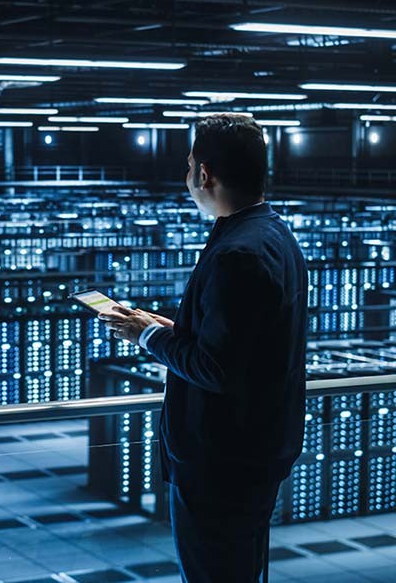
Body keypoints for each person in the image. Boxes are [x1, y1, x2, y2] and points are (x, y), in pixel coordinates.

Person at [99, 114, 308, 583]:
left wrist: (145, 336)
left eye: (190, 163)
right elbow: (246, 343)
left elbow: (215, 368)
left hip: (221, 464)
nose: (187, 174)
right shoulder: (274, 236)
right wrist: (172, 326)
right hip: (256, 452)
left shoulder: (239, 253)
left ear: (205, 173)